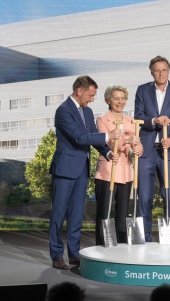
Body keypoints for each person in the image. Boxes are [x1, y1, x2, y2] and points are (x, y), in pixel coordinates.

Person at [49, 75, 121, 269]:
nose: (92, 99)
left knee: (76, 214)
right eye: (90, 95)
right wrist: (109, 135)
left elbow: (92, 139)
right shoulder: (63, 111)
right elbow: (80, 137)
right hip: (65, 170)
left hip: (82, 169)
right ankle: (56, 255)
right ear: (79, 90)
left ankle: (73, 253)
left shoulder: (87, 113)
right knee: (59, 214)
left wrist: (106, 152)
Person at [134, 56, 170, 242]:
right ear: (151, 72)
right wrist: (155, 121)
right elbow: (139, 117)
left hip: (168, 152)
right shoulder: (142, 90)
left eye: (164, 70)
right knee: (144, 198)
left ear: (168, 71)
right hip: (146, 152)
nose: (160, 73)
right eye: (157, 70)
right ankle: (144, 239)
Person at [94, 85, 143, 245]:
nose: (120, 102)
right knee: (104, 213)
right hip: (108, 171)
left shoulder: (131, 121)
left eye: (123, 98)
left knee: (123, 214)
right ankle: (102, 246)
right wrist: (127, 140)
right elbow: (106, 142)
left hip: (126, 172)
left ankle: (121, 248)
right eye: (116, 98)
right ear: (108, 100)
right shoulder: (102, 120)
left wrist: (138, 146)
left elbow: (137, 145)